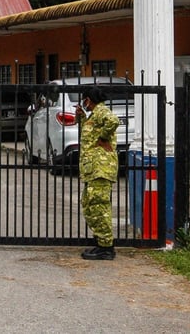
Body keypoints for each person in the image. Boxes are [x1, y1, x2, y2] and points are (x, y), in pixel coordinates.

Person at [78, 86, 120, 260]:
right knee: (89, 205)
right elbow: (90, 136)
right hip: (93, 170)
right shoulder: (94, 115)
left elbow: (113, 120)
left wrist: (103, 138)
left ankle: (106, 247)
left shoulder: (101, 111)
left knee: (99, 206)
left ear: (88, 99)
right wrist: (82, 118)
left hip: (101, 169)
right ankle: (101, 242)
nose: (84, 103)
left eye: (84, 100)